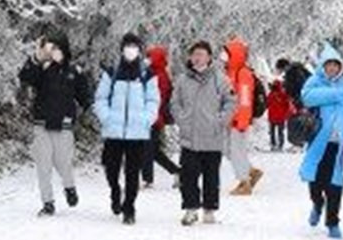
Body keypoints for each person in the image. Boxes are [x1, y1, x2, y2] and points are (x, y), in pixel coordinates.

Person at [18, 32, 93, 217]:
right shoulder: (42, 70)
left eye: (57, 48)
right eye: (51, 48)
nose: (54, 52)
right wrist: (37, 57)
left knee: (63, 163)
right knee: (43, 165)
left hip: (64, 125)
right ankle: (48, 203)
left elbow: (85, 97)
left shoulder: (74, 72)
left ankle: (69, 187)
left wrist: (90, 108)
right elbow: (25, 76)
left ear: (64, 49)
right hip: (41, 123)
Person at [94, 33, 161, 224]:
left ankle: (129, 207)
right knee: (111, 168)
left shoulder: (147, 75)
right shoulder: (112, 72)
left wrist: (146, 119)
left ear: (140, 50)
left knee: (133, 172)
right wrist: (106, 118)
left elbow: (153, 100)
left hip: (137, 132)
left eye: (134, 46)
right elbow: (100, 98)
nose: (130, 50)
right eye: (127, 46)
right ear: (122, 49)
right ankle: (115, 191)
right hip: (113, 130)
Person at [298, 43, 343, 240]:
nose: (332, 68)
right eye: (328, 65)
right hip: (318, 140)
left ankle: (333, 221)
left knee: (335, 182)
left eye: (335, 65)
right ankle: (317, 203)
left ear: (341, 66)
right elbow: (306, 98)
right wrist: (333, 95)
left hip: (338, 142)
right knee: (315, 179)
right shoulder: (315, 81)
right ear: (323, 66)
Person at [171, 40, 237, 226]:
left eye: (202, 54)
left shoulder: (220, 78)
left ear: (209, 57)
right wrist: (181, 120)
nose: (198, 58)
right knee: (188, 176)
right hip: (189, 137)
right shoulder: (183, 80)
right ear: (190, 58)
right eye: (195, 54)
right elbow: (174, 103)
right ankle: (191, 209)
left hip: (212, 137)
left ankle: (209, 210)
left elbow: (231, 102)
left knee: (211, 176)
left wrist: (220, 121)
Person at [221, 38, 264, 195]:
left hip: (239, 121)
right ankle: (251, 171)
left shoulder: (243, 73)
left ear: (235, 54)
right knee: (226, 149)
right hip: (230, 119)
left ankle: (244, 182)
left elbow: (245, 99)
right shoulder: (230, 72)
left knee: (237, 151)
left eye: (226, 53)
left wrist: (242, 121)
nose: (223, 56)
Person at [142, 44, 181, 188]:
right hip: (153, 117)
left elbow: (159, 98)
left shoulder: (159, 76)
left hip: (154, 118)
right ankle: (177, 171)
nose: (146, 59)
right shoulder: (153, 73)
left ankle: (147, 180)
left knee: (147, 149)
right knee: (153, 151)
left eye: (149, 56)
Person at [266, 76, 294, 151]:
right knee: (279, 132)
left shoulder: (271, 94)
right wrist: (286, 113)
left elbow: (267, 103)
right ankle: (279, 145)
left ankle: (274, 144)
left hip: (273, 117)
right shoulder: (283, 94)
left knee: (273, 132)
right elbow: (287, 105)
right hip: (280, 117)